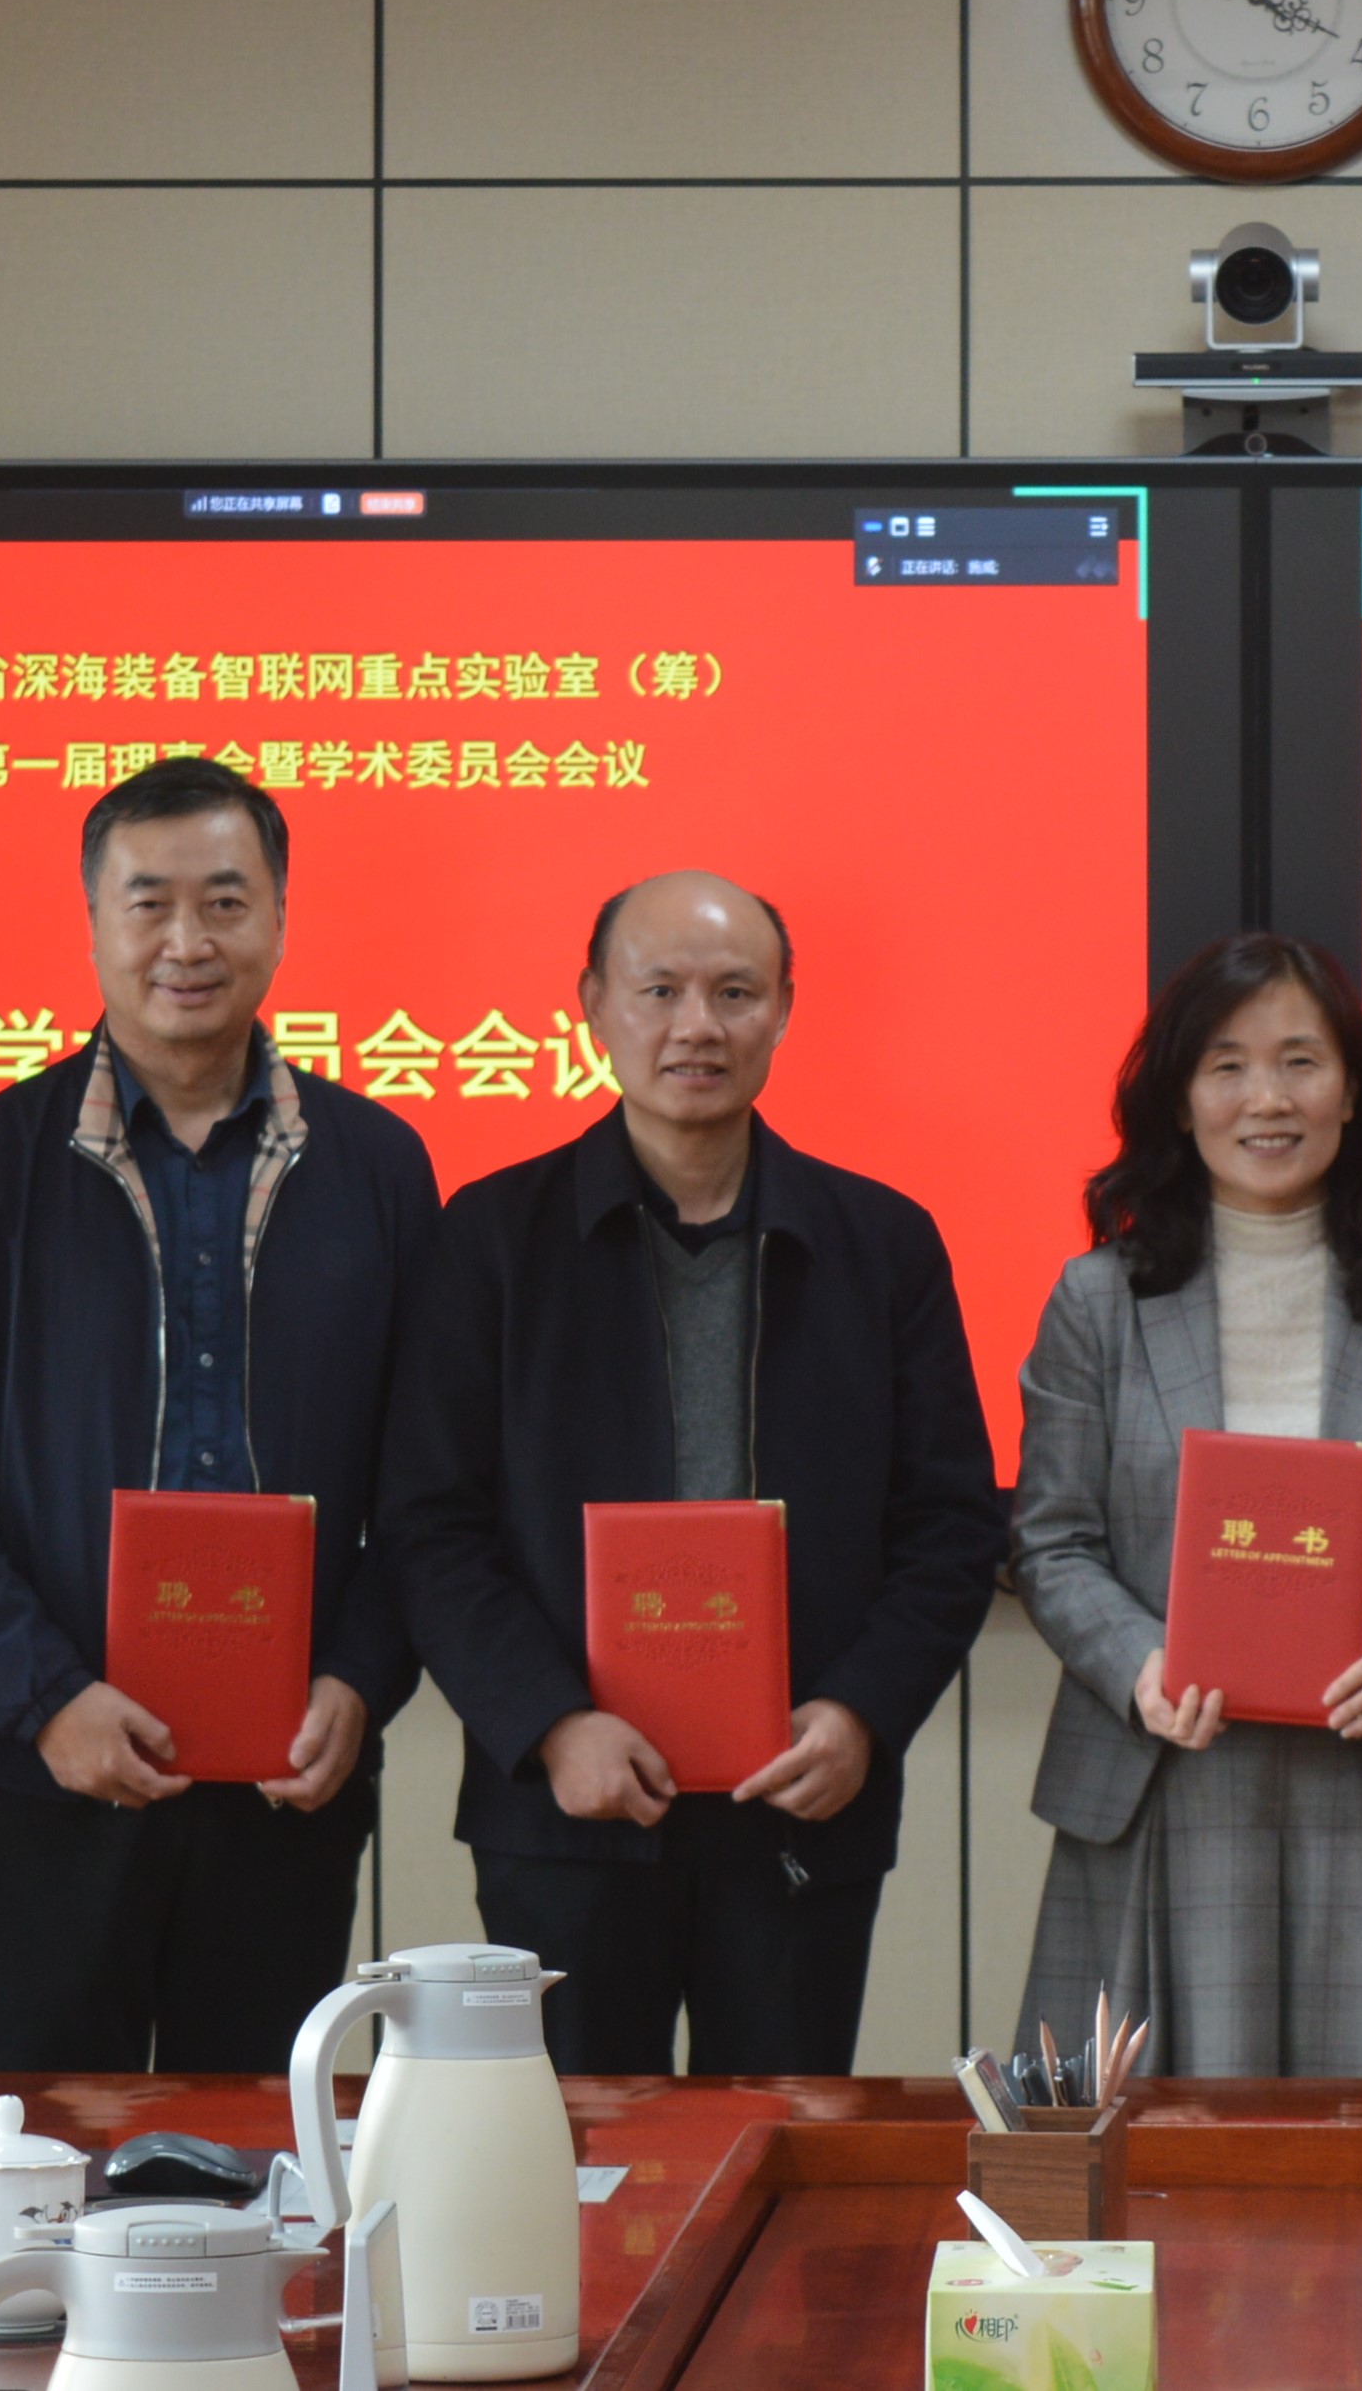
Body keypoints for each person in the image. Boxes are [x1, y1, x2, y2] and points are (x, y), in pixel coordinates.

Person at [0, 759, 433, 2071]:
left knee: (266, 2149)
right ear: (93, 924)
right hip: (35, 1773)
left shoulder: (377, 1167)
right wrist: (46, 1696)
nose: (188, 941)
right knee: (39, 2155)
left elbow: (428, 1478)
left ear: (279, 918)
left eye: (225, 902)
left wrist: (358, 1677)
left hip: (288, 1773)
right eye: (149, 903)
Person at [377, 872, 1001, 2073]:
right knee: (574, 2149)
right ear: (593, 1006)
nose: (696, 1026)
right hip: (566, 1807)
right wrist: (551, 1723)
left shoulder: (882, 1242)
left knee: (781, 2142)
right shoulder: (494, 1237)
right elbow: (429, 1522)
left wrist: (862, 1712)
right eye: (659, 991)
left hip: (800, 1800)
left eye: (734, 993)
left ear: (784, 1010)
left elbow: (951, 1523)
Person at [1008, 935, 1362, 2077]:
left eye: (1301, 1061)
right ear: (1179, 1098)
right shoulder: (1098, 1300)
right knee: (1156, 2153)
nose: (1268, 1098)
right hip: (1167, 1769)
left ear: (1351, 1092)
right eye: (1228, 1066)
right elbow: (1052, 1540)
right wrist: (1140, 1665)